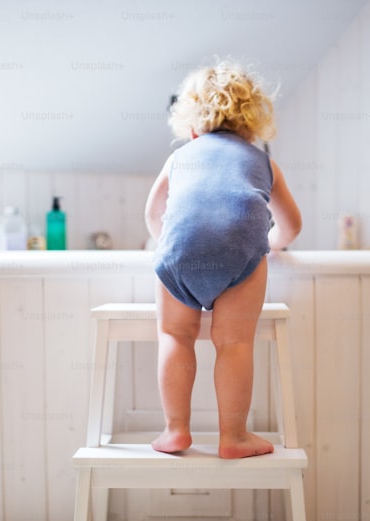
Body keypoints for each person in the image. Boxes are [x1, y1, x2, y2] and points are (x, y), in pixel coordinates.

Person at [144, 61, 302, 459]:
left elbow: (153, 214)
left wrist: (172, 245)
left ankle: (175, 430)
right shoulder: (264, 162)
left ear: (192, 125)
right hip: (239, 254)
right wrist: (272, 244)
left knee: (175, 336)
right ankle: (233, 436)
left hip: (179, 253)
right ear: (252, 125)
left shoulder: (181, 157)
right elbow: (291, 226)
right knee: (233, 343)